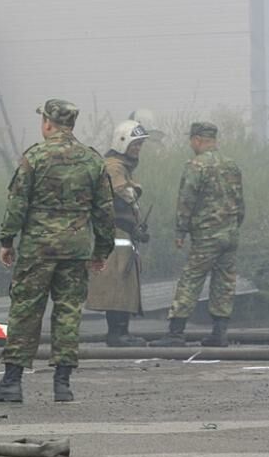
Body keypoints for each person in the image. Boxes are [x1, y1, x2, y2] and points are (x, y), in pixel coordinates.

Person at [0, 99, 115, 403]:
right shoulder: (92, 160)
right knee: (68, 311)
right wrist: (102, 250)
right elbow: (105, 211)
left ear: (47, 123)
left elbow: (17, 204)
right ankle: (62, 384)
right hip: (76, 249)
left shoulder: (35, 157)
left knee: (25, 310)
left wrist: (6, 241)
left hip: (37, 249)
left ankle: (12, 383)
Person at [150, 122, 244, 348]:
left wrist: (181, 230)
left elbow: (186, 200)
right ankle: (219, 333)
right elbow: (240, 202)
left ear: (197, 139)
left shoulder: (196, 165)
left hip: (207, 235)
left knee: (190, 279)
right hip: (230, 234)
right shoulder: (231, 165)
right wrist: (234, 225)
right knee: (224, 282)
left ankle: (175, 332)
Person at [85, 120, 151, 347]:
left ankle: (121, 331)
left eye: (140, 145)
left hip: (122, 234)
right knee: (117, 283)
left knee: (122, 284)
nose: (137, 150)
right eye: (135, 145)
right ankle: (117, 333)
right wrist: (137, 189)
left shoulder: (120, 166)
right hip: (116, 236)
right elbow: (125, 193)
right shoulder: (114, 166)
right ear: (122, 142)